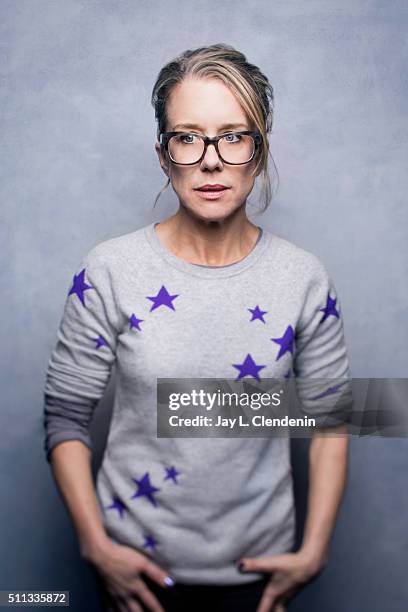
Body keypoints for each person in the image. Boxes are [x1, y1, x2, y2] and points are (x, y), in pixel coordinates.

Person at [43, 43, 351, 612]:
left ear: (259, 153)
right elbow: (64, 418)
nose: (211, 160)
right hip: (135, 575)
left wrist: (314, 552)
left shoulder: (304, 277)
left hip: (258, 578)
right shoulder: (109, 269)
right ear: (164, 155)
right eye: (188, 137)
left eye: (234, 136)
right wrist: (94, 547)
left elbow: (333, 420)